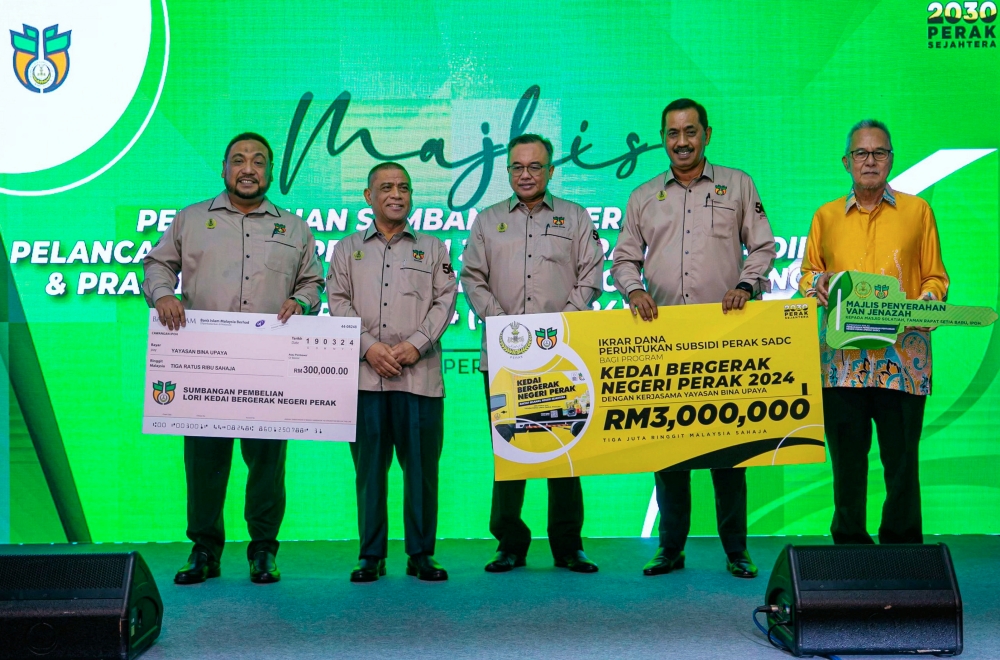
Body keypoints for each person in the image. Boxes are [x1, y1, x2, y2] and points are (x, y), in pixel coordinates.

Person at [143, 132, 324, 584]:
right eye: (239, 160)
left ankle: (263, 549)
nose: (249, 168)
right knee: (204, 463)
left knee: (266, 464)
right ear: (224, 168)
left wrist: (301, 303)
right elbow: (156, 265)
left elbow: (313, 284)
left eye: (259, 161)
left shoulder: (295, 227)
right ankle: (204, 549)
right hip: (205, 363)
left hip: (269, 368)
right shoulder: (190, 220)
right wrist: (164, 294)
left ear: (269, 171)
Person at [611, 99, 775, 578]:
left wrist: (746, 285)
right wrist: (634, 289)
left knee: (730, 448)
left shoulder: (737, 184)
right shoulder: (643, 196)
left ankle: (736, 550)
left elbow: (762, 247)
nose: (681, 141)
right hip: (663, 342)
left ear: (707, 133)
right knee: (668, 453)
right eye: (672, 133)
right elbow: (623, 259)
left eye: (690, 131)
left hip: (725, 340)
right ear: (662, 138)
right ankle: (670, 548)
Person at [799, 119, 949, 545]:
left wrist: (927, 302)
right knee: (847, 462)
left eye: (879, 152)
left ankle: (902, 547)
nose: (870, 161)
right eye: (861, 154)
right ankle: (849, 545)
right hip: (842, 364)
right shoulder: (825, 216)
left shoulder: (918, 212)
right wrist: (817, 285)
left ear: (891, 160)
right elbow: (808, 274)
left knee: (902, 462)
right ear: (846, 162)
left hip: (903, 359)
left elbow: (936, 277)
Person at [461, 134, 604, 574]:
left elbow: (592, 274)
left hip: (562, 358)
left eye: (535, 167)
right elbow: (472, 278)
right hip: (504, 359)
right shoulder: (487, 221)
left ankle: (567, 544)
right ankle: (509, 542)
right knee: (511, 452)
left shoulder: (575, 217)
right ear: (508, 171)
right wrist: (505, 326)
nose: (525, 174)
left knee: (566, 448)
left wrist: (559, 329)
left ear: (550, 171)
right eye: (517, 167)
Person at [327, 162, 457, 582]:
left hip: (419, 381)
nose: (396, 194)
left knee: (421, 471)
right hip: (365, 380)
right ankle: (371, 554)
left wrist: (415, 345)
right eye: (386, 187)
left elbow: (445, 302)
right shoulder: (346, 249)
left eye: (403, 187)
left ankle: (421, 554)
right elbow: (338, 301)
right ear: (369, 197)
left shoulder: (435, 248)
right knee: (369, 472)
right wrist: (370, 348)